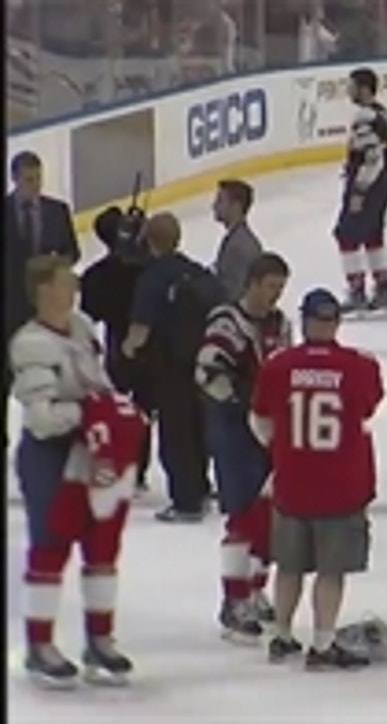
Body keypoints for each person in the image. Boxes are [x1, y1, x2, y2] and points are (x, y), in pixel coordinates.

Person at [12, 255, 147, 687]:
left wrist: (113, 410)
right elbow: (41, 419)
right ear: (44, 290)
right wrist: (90, 411)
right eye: (66, 281)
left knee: (102, 546)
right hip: (51, 457)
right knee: (50, 546)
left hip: (92, 452)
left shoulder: (83, 327)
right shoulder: (31, 343)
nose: (74, 286)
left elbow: (98, 382)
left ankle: (100, 640)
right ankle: (39, 644)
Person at [250, 288, 385, 670]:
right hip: (342, 483)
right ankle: (323, 643)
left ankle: (281, 634)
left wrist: (283, 452)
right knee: (331, 570)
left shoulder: (278, 365)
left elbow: (260, 420)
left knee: (289, 566)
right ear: (336, 322)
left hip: (292, 481)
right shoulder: (359, 366)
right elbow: (367, 409)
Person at [197, 253, 292, 643]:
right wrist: (239, 402)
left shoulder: (280, 323)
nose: (275, 296)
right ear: (252, 283)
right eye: (270, 287)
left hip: (269, 429)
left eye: (280, 288)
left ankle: (254, 589)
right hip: (233, 430)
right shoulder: (226, 322)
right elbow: (206, 372)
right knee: (241, 515)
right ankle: (234, 600)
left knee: (266, 516)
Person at [123, 213, 224, 522]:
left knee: (176, 433)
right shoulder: (195, 271)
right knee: (197, 428)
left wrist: (127, 350)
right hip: (201, 363)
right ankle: (201, 488)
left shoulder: (153, 277)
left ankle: (185, 500)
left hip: (169, 366)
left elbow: (140, 329)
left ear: (148, 241)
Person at [79, 207, 155, 492]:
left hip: (116, 346)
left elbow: (90, 312)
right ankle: (138, 469)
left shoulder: (96, 275)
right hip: (150, 347)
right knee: (144, 409)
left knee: (119, 408)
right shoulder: (148, 269)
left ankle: (122, 464)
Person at [4, 151, 79, 435]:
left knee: (50, 376)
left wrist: (54, 266)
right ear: (14, 179)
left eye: (38, 178)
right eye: (28, 179)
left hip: (48, 311)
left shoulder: (57, 211)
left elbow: (72, 251)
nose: (34, 185)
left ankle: (49, 429)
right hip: (9, 310)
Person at [335, 67, 387, 315]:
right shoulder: (380, 113)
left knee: (346, 234)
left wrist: (359, 189)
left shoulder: (364, 118)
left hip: (369, 183)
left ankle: (357, 290)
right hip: (383, 182)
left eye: (351, 86)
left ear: (363, 88)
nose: (348, 91)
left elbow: (372, 158)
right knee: (373, 235)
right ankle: (383, 290)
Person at [211, 179, 264, 299]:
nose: (214, 206)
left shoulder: (239, 247)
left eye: (220, 200)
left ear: (236, 206)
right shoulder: (236, 239)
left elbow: (236, 293)